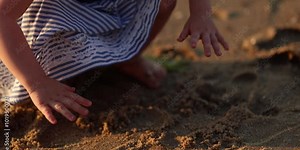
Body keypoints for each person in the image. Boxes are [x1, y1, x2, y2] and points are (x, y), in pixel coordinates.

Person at [0, 0, 229, 124]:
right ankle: (49, 80)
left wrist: (201, 14)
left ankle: (127, 58)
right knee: (59, 75)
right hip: (49, 27)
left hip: (107, 11)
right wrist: (37, 83)